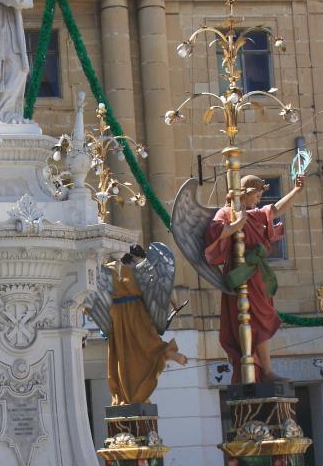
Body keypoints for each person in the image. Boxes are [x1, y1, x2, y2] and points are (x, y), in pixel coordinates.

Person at [204, 174, 305, 383]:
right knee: (250, 321)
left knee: (260, 321)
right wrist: (236, 224)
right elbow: (214, 233)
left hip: (256, 275)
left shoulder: (256, 215)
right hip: (240, 274)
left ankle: (266, 370)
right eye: (257, 196)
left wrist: (296, 191)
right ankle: (260, 370)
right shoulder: (226, 212)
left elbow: (275, 210)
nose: (259, 200)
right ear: (247, 193)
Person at [108, 249, 187, 405]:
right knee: (147, 347)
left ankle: (124, 397)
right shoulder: (140, 267)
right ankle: (167, 353)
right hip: (137, 311)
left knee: (121, 356)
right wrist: (175, 304)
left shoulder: (107, 268)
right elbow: (162, 289)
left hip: (116, 315)